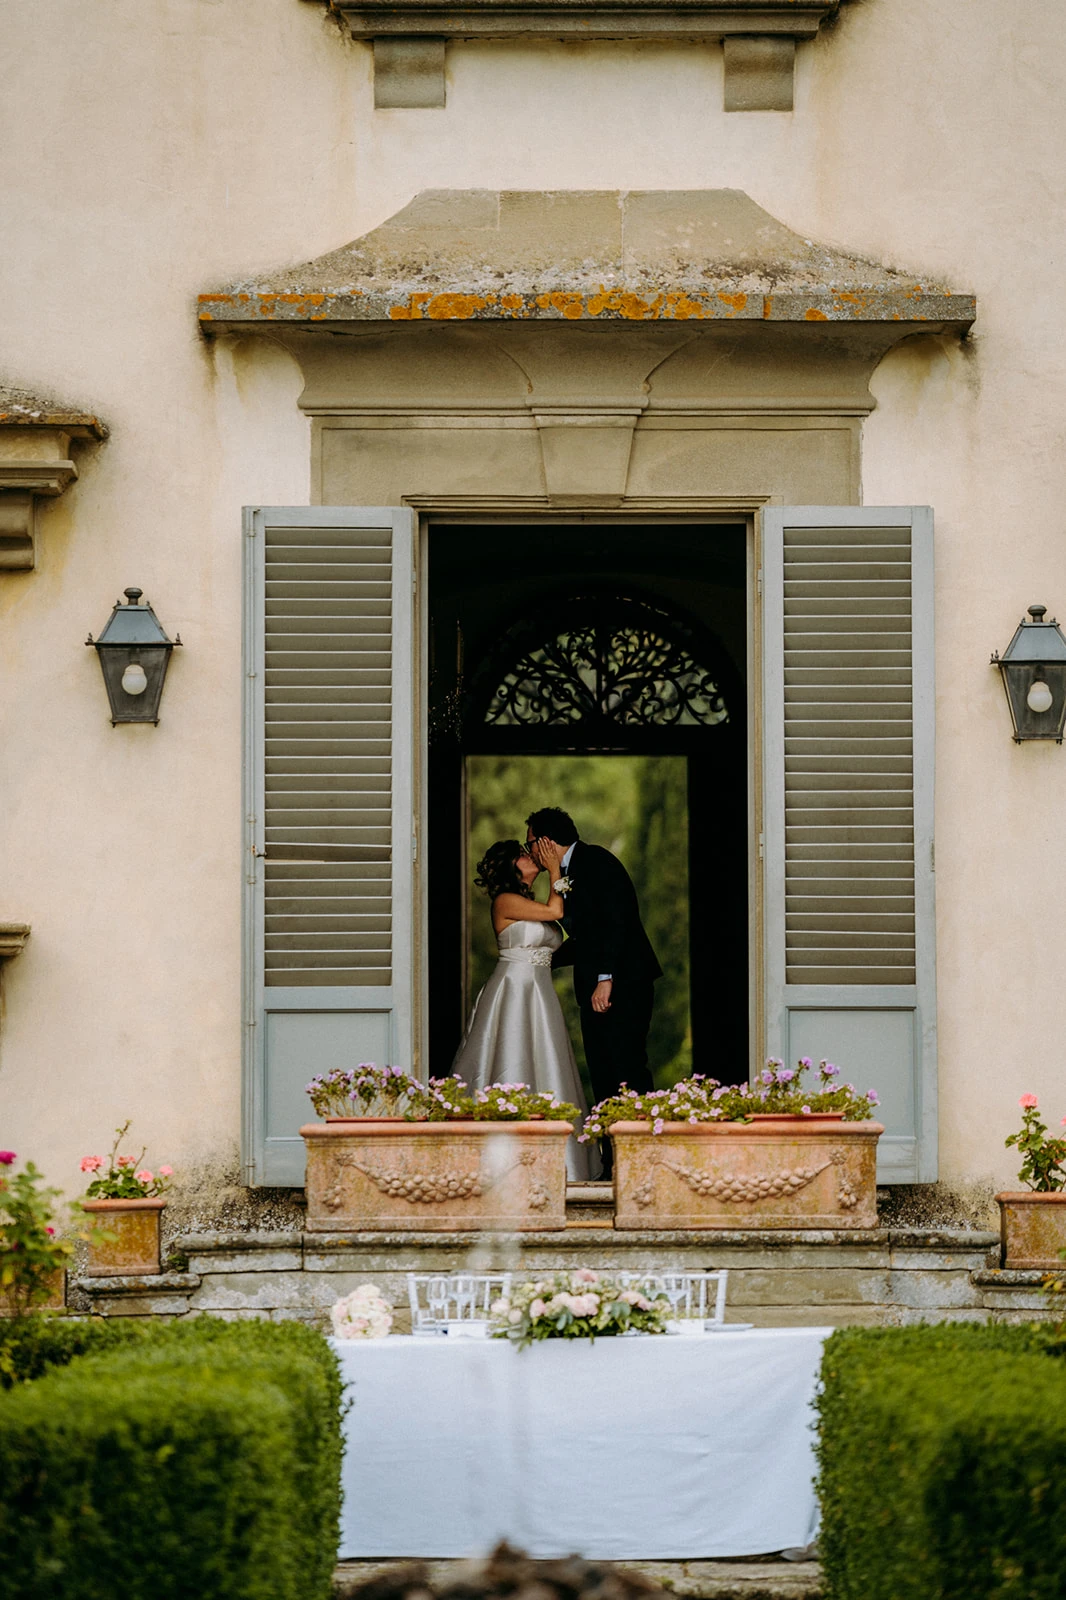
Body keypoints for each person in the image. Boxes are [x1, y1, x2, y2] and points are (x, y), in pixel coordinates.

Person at [451, 838, 597, 1181]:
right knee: (510, 1058)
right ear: (511, 866)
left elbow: (558, 936)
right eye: (522, 853)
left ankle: (554, 1161)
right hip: (514, 988)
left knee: (546, 1061)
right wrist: (554, 870)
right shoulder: (505, 901)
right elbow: (555, 913)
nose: (529, 855)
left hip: (539, 990)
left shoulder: (526, 901)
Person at [525, 807, 661, 1115]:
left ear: (546, 842)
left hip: (623, 984)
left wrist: (605, 978)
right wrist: (537, 960)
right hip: (596, 988)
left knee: (627, 1070)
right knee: (603, 1077)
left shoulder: (596, 861)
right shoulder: (569, 871)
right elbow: (585, 937)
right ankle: (610, 1159)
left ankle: (642, 1152)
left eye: (530, 843)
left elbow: (616, 921)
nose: (529, 851)